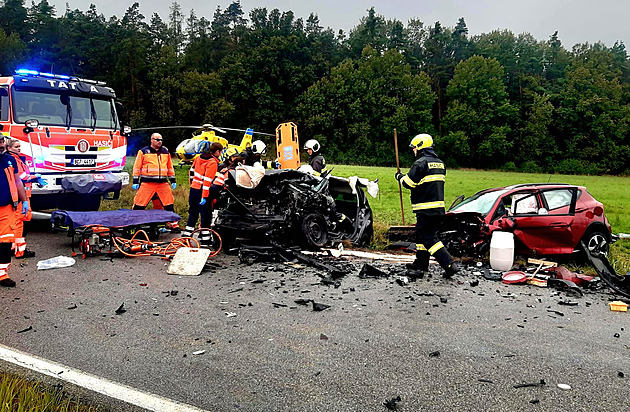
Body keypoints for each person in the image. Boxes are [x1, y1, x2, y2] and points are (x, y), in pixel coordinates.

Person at [395, 133, 460, 278]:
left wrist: (399, 177)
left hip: (425, 208)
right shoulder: (440, 163)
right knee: (421, 236)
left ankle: (449, 264)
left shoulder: (420, 163)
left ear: (420, 146)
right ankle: (421, 263)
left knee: (429, 238)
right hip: (437, 208)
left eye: (414, 148)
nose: (413, 151)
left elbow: (408, 183)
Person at [5, 138, 47, 258]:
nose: (19, 148)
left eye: (19, 146)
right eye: (16, 147)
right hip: (19, 197)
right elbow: (22, 177)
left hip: (23, 196)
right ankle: (19, 251)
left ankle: (16, 249)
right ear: (9, 148)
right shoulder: (13, 159)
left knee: (22, 221)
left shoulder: (17, 159)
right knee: (19, 223)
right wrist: (35, 177)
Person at [0, 134, 29, 287]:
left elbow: (17, 181)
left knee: (5, 241)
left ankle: (2, 274)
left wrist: (24, 200)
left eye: (1, 142)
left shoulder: (9, 161)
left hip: (6, 207)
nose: (0, 145)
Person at [182, 142, 223, 246]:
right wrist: (204, 196)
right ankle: (205, 240)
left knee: (193, 213)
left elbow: (191, 172)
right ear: (217, 151)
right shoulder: (212, 162)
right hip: (202, 191)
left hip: (194, 189)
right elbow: (207, 181)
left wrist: (192, 185)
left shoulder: (198, 158)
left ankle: (186, 236)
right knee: (206, 215)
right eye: (220, 151)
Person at [132, 133, 177, 211]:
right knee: (140, 203)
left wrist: (172, 180)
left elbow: (170, 167)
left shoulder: (165, 152)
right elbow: (137, 167)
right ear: (152, 140)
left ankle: (171, 221)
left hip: (162, 183)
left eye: (161, 140)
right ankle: (136, 220)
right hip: (147, 183)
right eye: (157, 140)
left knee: (168, 203)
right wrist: (135, 180)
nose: (160, 142)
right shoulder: (143, 151)